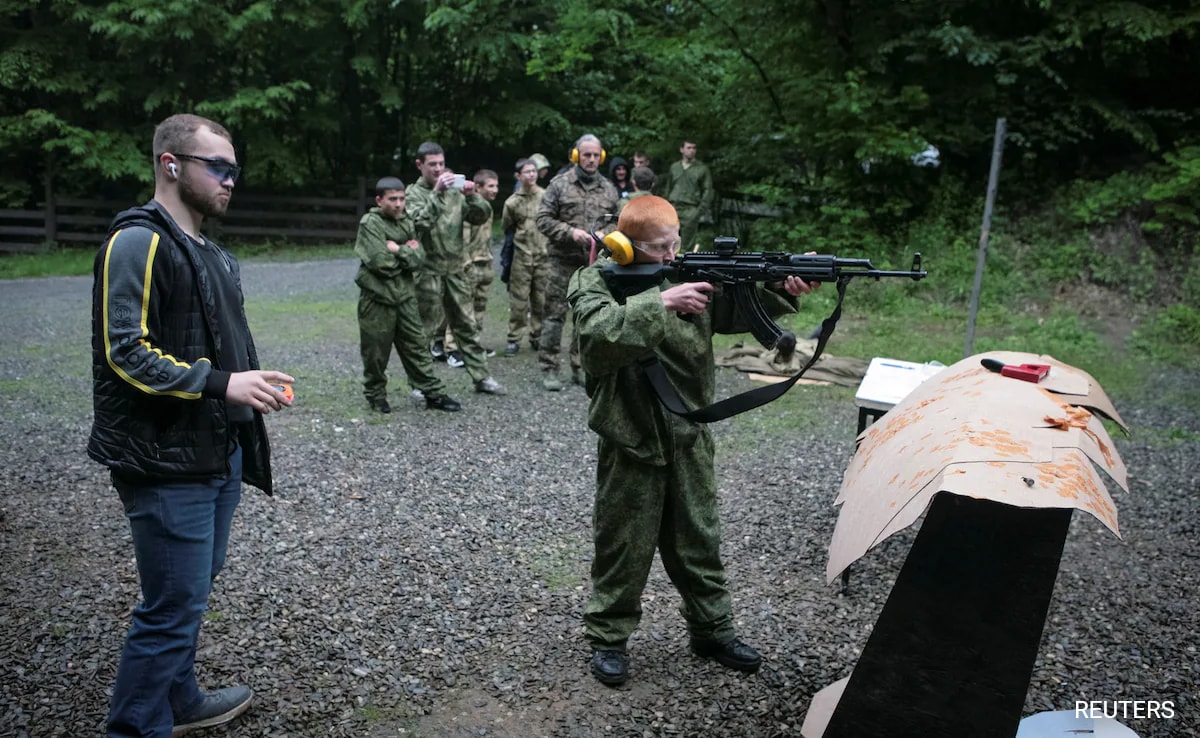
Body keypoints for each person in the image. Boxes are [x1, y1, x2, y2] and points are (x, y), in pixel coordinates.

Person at [89, 113, 293, 737]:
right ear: (171, 165)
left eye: (235, 168)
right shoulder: (137, 241)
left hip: (215, 451)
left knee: (188, 594)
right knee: (171, 607)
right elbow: (124, 350)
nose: (231, 180)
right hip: (163, 457)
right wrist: (222, 383)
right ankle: (133, 727)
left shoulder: (214, 253)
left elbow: (216, 345)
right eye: (218, 167)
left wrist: (248, 384)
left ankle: (178, 699)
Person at [566, 195, 816, 686]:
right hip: (630, 437)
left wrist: (783, 285)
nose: (670, 254)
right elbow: (596, 340)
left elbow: (736, 310)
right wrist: (660, 301)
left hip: (688, 437)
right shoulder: (594, 280)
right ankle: (609, 639)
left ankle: (712, 630)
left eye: (674, 243)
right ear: (622, 246)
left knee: (699, 540)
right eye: (658, 248)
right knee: (622, 545)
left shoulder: (688, 271)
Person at [355, 177, 462, 413]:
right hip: (377, 301)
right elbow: (379, 262)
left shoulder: (407, 222)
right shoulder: (370, 224)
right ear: (379, 200)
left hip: (405, 298)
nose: (398, 204)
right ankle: (376, 395)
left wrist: (397, 249)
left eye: (402, 199)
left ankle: (432, 392)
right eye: (392, 199)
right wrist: (406, 253)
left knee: (417, 348)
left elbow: (420, 259)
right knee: (375, 353)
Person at [407, 142, 506, 395]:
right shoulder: (412, 194)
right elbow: (420, 223)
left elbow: (480, 216)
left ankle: (481, 377)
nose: (438, 169)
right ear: (420, 165)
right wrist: (438, 192)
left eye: (441, 164)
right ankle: (421, 382)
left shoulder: (455, 192)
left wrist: (473, 195)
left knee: (466, 325)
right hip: (427, 271)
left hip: (455, 269)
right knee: (424, 329)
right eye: (433, 165)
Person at [534, 133, 620, 391]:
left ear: (601, 157)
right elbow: (543, 219)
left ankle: (580, 366)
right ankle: (549, 368)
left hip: (593, 266)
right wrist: (570, 233)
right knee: (554, 316)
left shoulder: (609, 189)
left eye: (596, 155)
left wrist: (608, 235)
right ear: (576, 156)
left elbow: (617, 221)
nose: (591, 160)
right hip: (562, 262)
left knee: (586, 317)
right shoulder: (559, 185)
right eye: (587, 155)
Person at [500, 158, 549, 357]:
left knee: (541, 299)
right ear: (518, 176)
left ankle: (537, 336)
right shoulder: (512, 202)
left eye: (533, 171)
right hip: (521, 258)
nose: (531, 174)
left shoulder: (546, 197)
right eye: (527, 172)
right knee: (518, 302)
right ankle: (514, 339)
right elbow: (507, 228)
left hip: (543, 256)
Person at [658, 140, 714, 251]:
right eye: (689, 148)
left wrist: (699, 211)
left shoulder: (702, 169)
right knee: (668, 240)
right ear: (682, 149)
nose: (692, 151)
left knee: (686, 245)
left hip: (690, 208)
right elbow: (668, 187)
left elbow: (707, 190)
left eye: (694, 148)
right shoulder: (674, 167)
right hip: (673, 207)